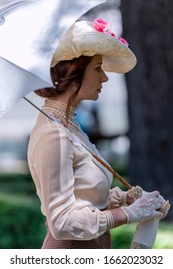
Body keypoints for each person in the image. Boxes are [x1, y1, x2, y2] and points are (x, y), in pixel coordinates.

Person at [27, 18, 170, 249]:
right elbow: (61, 222)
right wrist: (129, 213)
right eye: (97, 68)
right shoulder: (53, 133)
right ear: (74, 71)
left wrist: (124, 199)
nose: (104, 77)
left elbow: (83, 198)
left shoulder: (68, 124)